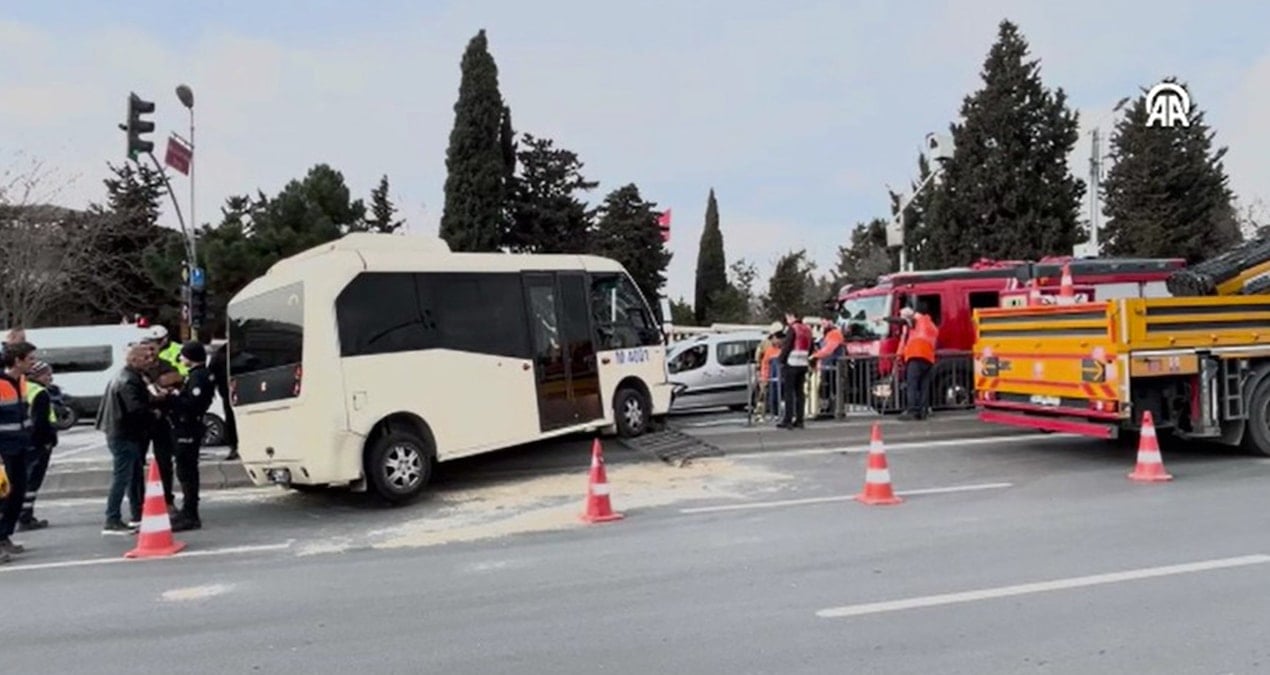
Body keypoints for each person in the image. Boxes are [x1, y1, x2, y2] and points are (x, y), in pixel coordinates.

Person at [97, 344, 156, 535]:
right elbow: (135, 408)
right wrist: (154, 411)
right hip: (123, 433)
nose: (150, 360)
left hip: (121, 432)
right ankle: (112, 518)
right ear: (134, 359)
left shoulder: (127, 376)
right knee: (122, 476)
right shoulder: (129, 379)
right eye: (145, 357)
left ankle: (136, 514)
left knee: (130, 475)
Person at [0, 340, 37, 560]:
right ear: (17, 361)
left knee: (16, 493)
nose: (33, 362)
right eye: (30, 359)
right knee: (3, 495)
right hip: (4, 448)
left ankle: (4, 535)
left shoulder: (21, 381)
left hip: (20, 446)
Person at [170, 342, 213, 531]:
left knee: (186, 470)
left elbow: (193, 403)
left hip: (188, 427)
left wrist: (173, 397)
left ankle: (190, 513)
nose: (181, 359)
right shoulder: (197, 375)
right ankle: (188, 510)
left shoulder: (198, 376)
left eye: (184, 356)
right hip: (187, 426)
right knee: (184, 469)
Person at [142, 335, 183, 512]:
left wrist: (171, 386)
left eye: (153, 348)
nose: (150, 353)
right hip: (143, 421)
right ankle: (141, 504)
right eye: (146, 349)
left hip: (163, 421)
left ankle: (168, 500)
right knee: (137, 465)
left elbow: (178, 382)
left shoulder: (167, 366)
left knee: (164, 463)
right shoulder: (136, 370)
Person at [18, 360, 58, 531]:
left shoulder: (21, 387)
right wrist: (48, 442)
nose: (50, 378)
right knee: (33, 481)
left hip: (24, 442)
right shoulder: (40, 392)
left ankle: (22, 514)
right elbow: (41, 422)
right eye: (47, 374)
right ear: (38, 375)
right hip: (39, 443)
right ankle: (26, 517)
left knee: (23, 480)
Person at [890, 304, 939, 421]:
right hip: (928, 359)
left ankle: (912, 411)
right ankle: (923, 411)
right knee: (924, 386)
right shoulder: (933, 327)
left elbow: (901, 321)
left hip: (915, 356)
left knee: (912, 385)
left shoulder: (917, 320)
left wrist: (883, 319)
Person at [777, 312, 812, 430]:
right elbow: (811, 347)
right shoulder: (807, 329)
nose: (787, 320)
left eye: (787, 317)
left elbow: (787, 346)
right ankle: (800, 420)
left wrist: (781, 360)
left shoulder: (793, 329)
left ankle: (788, 420)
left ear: (792, 316)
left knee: (789, 393)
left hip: (791, 364)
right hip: (803, 364)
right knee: (799, 393)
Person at [209, 342, 239, 461]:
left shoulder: (218, 357)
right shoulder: (221, 357)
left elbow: (212, 374)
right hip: (232, 393)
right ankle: (235, 447)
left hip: (228, 393)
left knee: (231, 420)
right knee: (232, 420)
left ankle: (234, 447)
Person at [810, 318, 845, 416]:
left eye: (824, 322)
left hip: (834, 366)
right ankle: (828, 409)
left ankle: (832, 410)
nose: (822, 325)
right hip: (828, 366)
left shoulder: (834, 333)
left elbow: (829, 349)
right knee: (826, 389)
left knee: (832, 389)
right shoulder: (828, 334)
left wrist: (815, 356)